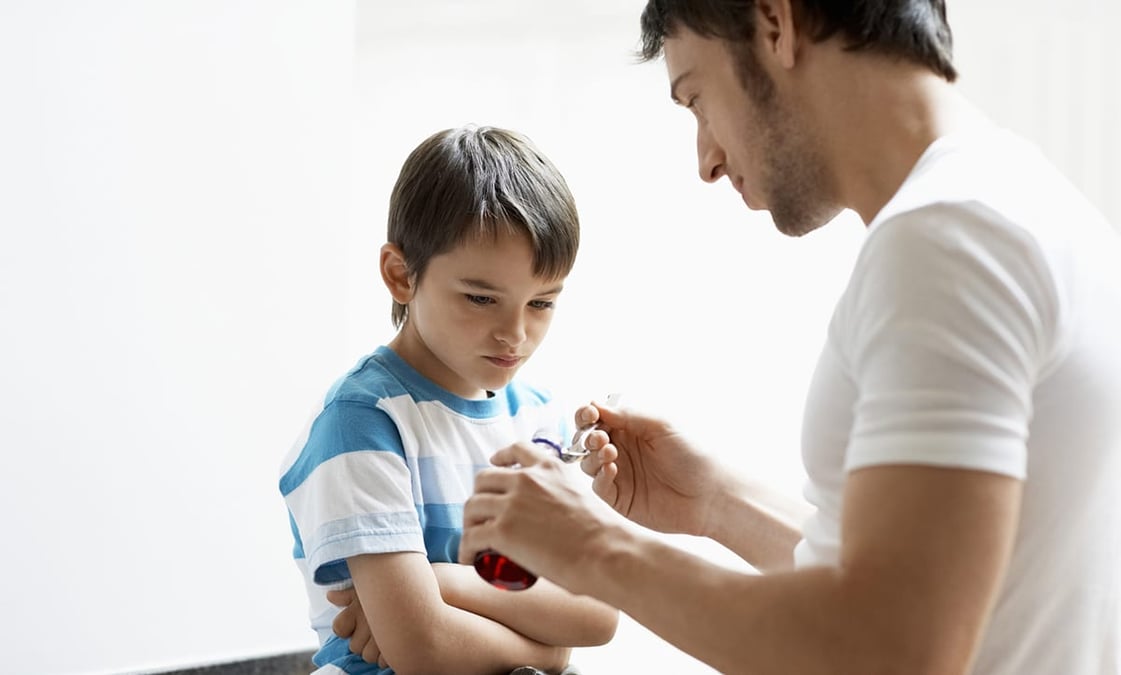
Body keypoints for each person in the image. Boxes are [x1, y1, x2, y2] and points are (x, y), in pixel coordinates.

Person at [441, 1, 1121, 674]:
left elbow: (892, 648)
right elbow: (916, 590)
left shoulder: (945, 241)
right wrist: (715, 500)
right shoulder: (1024, 200)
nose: (706, 159)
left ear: (775, 23)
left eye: (697, 99)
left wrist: (591, 547)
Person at [279, 124, 618, 675]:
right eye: (481, 298)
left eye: (541, 303)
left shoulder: (538, 417)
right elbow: (422, 649)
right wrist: (546, 647)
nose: (515, 333)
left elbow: (598, 615)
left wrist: (442, 582)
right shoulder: (361, 421)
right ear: (400, 275)